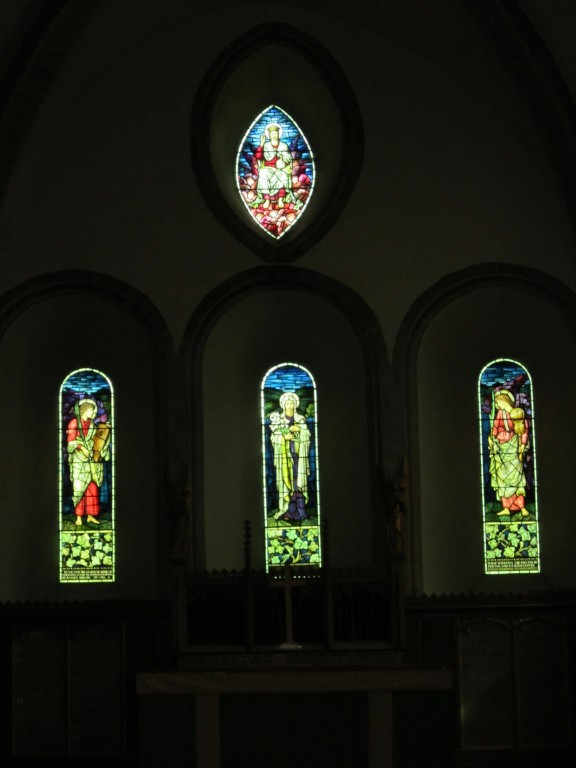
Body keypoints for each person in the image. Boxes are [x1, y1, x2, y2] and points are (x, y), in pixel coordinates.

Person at [66, 398, 111, 526]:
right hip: (78, 459)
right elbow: (70, 442)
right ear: (85, 410)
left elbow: (97, 439)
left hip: (90, 458)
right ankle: (79, 517)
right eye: (91, 411)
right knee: (79, 488)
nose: (93, 413)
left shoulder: (92, 425)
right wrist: (81, 447)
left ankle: (90, 515)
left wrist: (105, 429)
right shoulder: (74, 423)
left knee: (92, 487)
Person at [269, 392, 311, 521]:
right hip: (285, 459)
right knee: (287, 485)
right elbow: (274, 438)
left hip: (298, 457)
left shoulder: (300, 419)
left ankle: (301, 513)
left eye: (291, 403)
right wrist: (284, 437)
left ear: (295, 405)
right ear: (283, 405)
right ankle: (288, 512)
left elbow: (307, 435)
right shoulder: (279, 420)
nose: (289, 405)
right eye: (287, 403)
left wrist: (299, 430)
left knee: (298, 484)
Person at [488, 388, 529, 516]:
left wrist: (522, 444)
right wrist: (491, 438)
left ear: (504, 401)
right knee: (502, 479)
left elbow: (523, 429)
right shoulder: (500, 413)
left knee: (517, 477)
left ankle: (522, 507)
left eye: (498, 402)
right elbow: (495, 427)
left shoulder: (516, 413)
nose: (497, 405)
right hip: (501, 449)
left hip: (514, 449)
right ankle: (506, 508)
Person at [253, 123, 294, 210]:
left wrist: (283, 157)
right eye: (272, 134)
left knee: (283, 175)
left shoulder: (283, 145)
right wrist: (261, 144)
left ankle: (280, 199)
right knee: (262, 173)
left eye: (276, 133)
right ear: (269, 135)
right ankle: (267, 199)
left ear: (279, 134)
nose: (274, 135)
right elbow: (258, 157)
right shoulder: (266, 145)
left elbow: (288, 158)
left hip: (280, 169)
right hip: (268, 168)